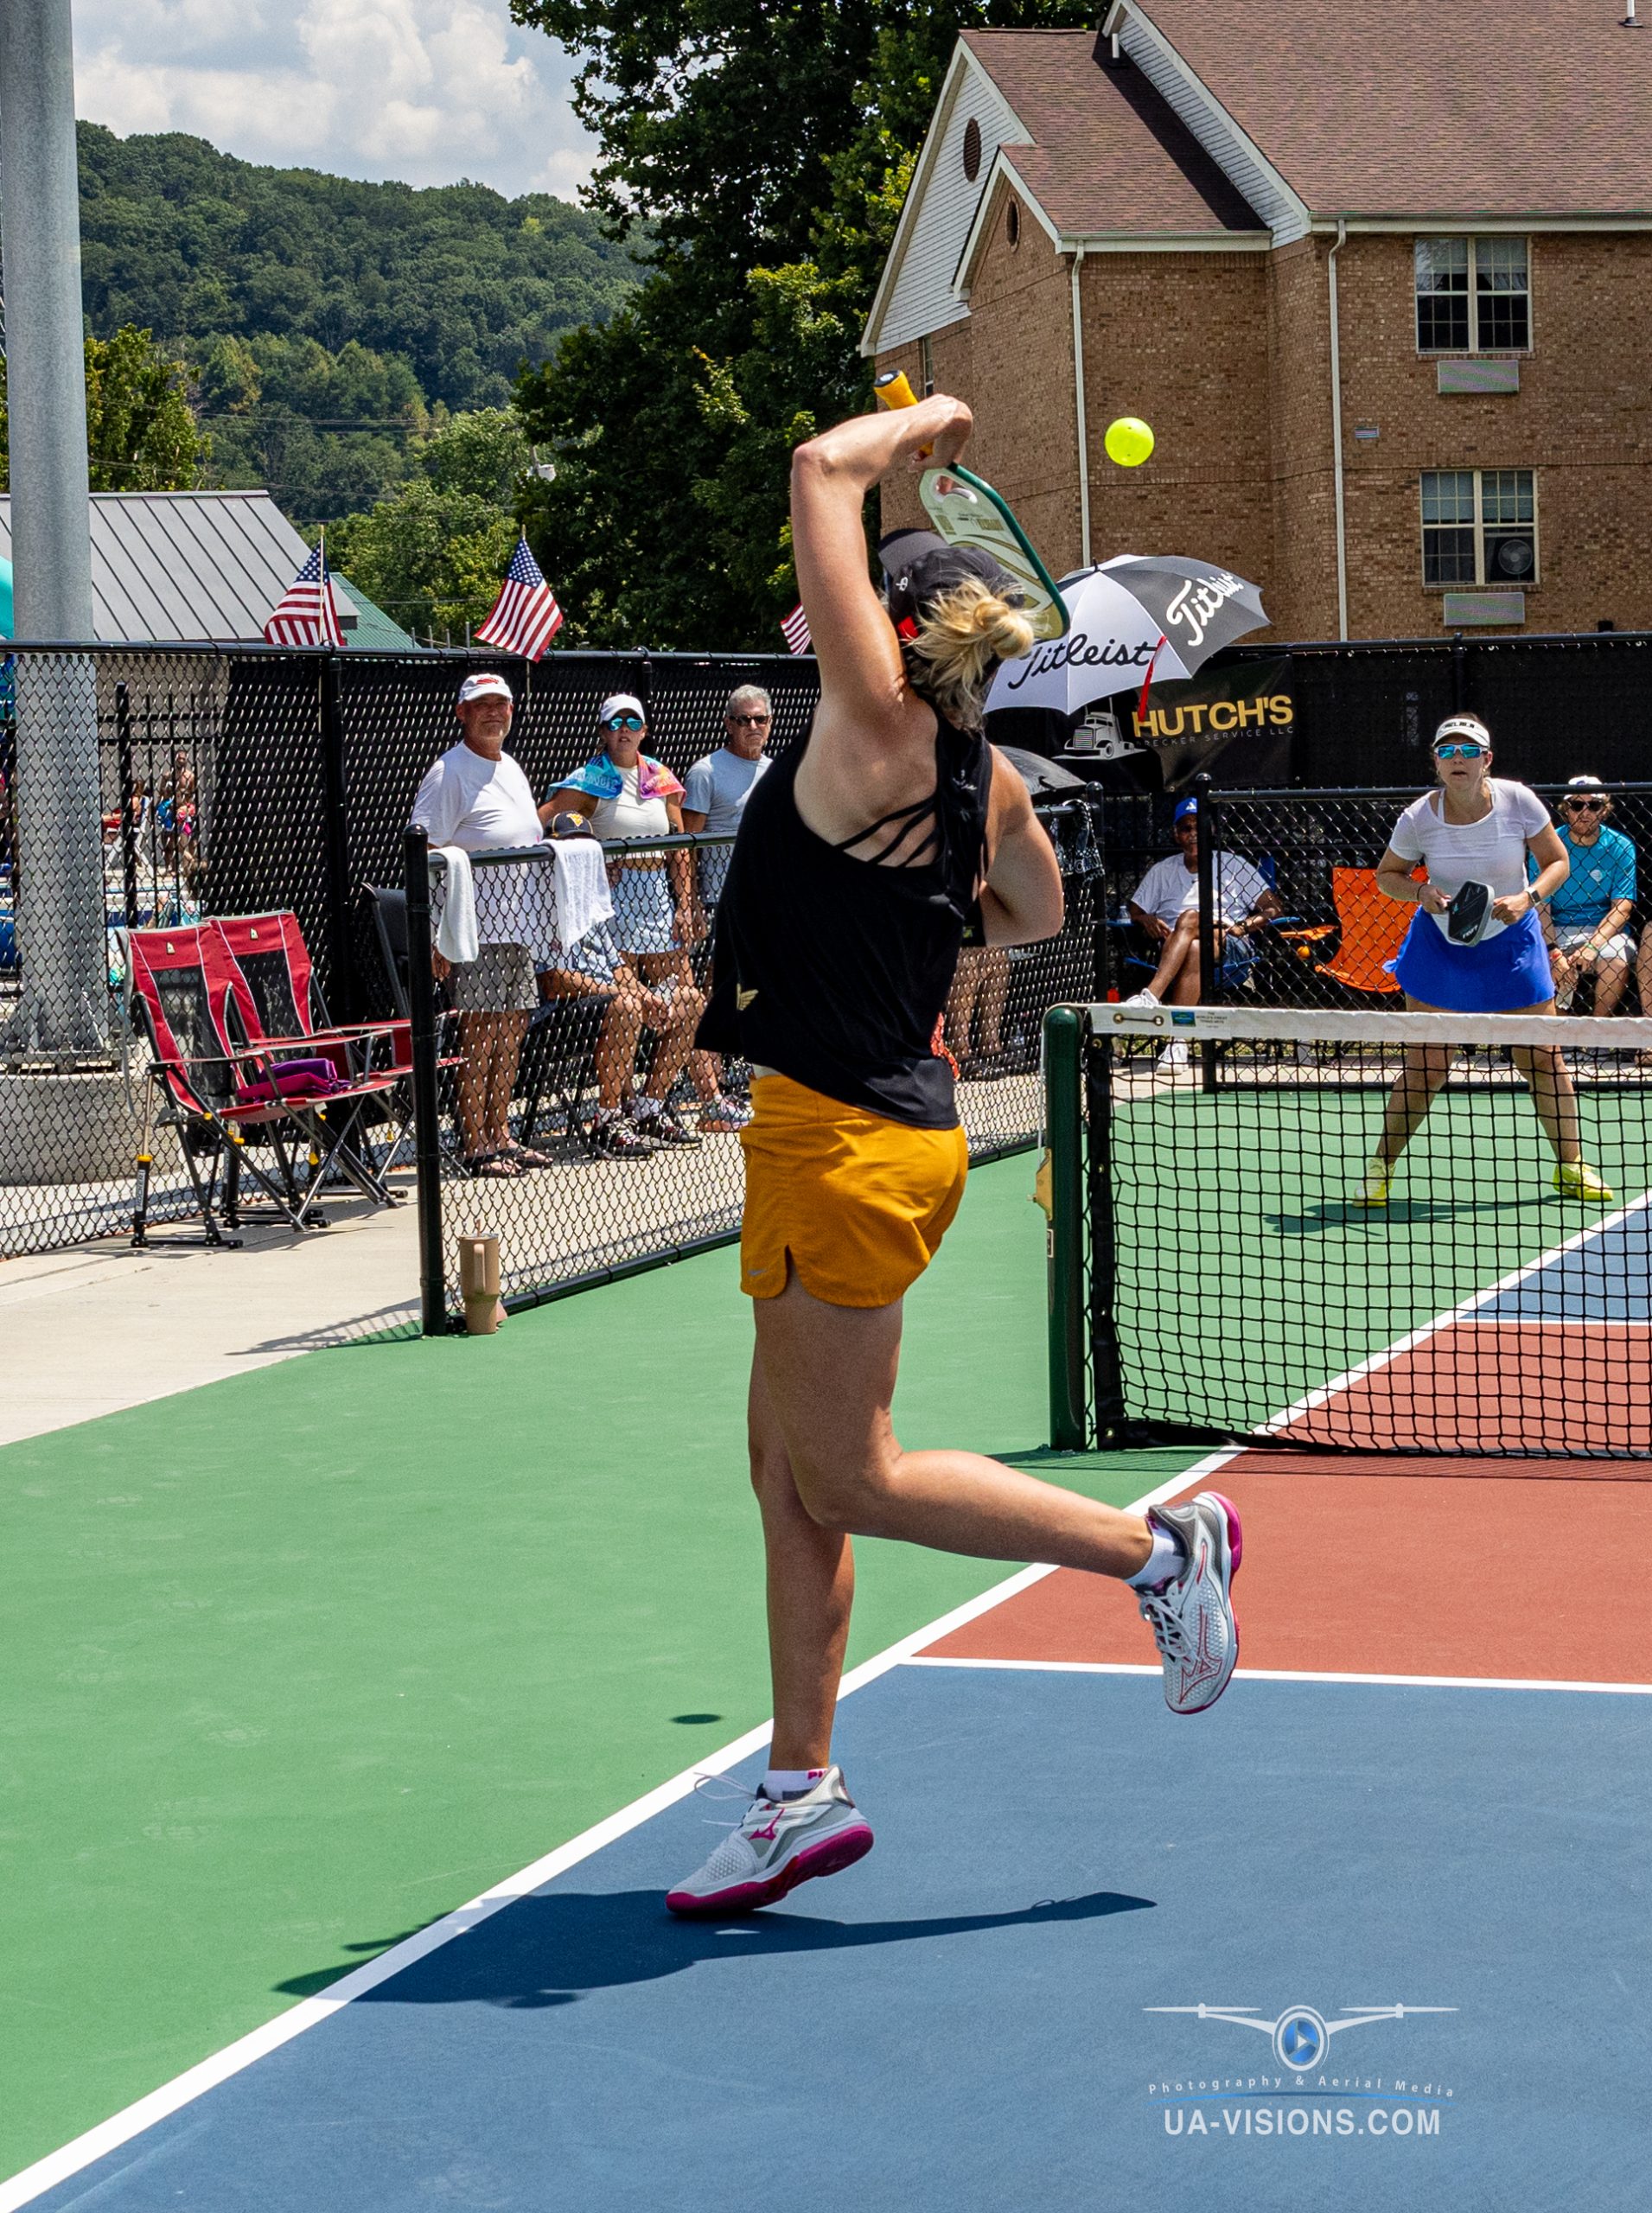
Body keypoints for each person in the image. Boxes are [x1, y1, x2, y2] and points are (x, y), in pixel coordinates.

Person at [667, 391, 1243, 1918]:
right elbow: (1034, 912)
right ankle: (798, 1790)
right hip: (858, 1137)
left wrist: (928, 418)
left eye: (867, 593)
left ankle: (1160, 1553)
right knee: (787, 1476)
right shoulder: (976, 771)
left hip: (843, 1147)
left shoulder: (869, 726)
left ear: (901, 634)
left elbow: (816, 463)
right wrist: (901, 920)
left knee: (846, 1474)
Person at [1357, 712, 1611, 1205]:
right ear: (1436, 761)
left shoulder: (1518, 801)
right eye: (1448, 751)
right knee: (1427, 1066)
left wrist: (1528, 898)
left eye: (1469, 750)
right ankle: (1380, 1167)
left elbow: (1557, 862)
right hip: (1439, 947)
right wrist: (1420, 892)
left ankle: (1571, 1166)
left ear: (1486, 760)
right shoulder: (1418, 818)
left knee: (1542, 1057)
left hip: (1512, 941)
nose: (1459, 758)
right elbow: (1388, 876)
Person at [545, 697, 749, 1136]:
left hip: (657, 896)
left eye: (632, 721)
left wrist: (687, 904)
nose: (624, 728)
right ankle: (617, 1109)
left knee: (687, 999)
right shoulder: (588, 780)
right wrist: (591, 861)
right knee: (630, 1004)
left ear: (644, 730)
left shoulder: (661, 778)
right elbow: (546, 826)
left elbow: (680, 847)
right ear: (603, 731)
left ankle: (670, 1101)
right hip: (612, 901)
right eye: (615, 722)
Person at [411, 672, 552, 1178]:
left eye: (501, 704)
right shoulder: (448, 772)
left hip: (520, 927)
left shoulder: (511, 767)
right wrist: (437, 934)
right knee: (480, 1036)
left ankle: (501, 1133)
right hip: (475, 932)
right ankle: (476, 1144)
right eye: (482, 704)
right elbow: (425, 851)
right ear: (462, 713)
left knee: (511, 1033)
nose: (494, 712)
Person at [1120, 796, 1282, 1068]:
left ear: (1212, 830)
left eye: (1199, 826)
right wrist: (1146, 918)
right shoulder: (1162, 871)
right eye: (1186, 828)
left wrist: (1244, 926)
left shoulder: (1234, 865)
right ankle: (1178, 1043)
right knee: (1195, 947)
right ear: (1176, 834)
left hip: (1228, 944)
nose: (1193, 833)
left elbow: (1273, 908)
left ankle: (1150, 997)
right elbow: (1134, 911)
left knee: (1190, 917)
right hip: (1175, 949)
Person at [538, 915, 706, 1158]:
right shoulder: (545, 913)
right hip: (562, 1013)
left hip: (616, 1000)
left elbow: (619, 969)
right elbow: (554, 983)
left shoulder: (589, 912)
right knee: (626, 1006)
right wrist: (624, 995)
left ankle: (648, 1111)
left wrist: (648, 997)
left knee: (691, 1001)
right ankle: (608, 1121)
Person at [1534, 775, 1636, 1020]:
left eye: (1594, 805)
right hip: (1555, 929)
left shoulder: (1621, 846)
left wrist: (1592, 946)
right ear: (1566, 809)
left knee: (1616, 960)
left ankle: (1596, 1030)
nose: (1585, 812)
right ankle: (1558, 1031)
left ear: (1604, 810)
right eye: (1577, 805)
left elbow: (1622, 907)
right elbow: (1540, 907)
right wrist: (1554, 953)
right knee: (1534, 960)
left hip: (1603, 931)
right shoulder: (1548, 844)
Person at [680, 684, 775, 910]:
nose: (753, 726)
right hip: (722, 899)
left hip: (771, 898)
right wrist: (690, 904)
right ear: (729, 725)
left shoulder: (777, 771)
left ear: (770, 722)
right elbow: (687, 847)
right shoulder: (706, 772)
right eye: (744, 720)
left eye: (760, 719)